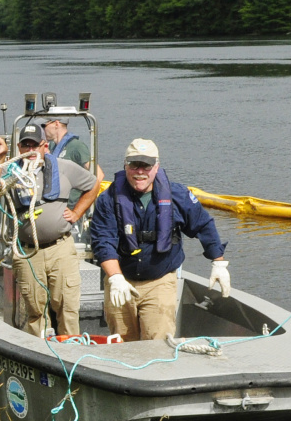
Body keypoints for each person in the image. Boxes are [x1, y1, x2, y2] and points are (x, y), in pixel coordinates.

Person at [89, 138, 230, 342]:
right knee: (122, 343)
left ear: (156, 166)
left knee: (158, 343)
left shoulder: (178, 195)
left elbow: (203, 225)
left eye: (145, 165)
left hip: (159, 280)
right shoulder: (108, 199)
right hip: (120, 278)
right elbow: (103, 241)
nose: (140, 171)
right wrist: (115, 278)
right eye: (134, 165)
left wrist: (218, 263)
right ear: (125, 165)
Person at [0, 122, 103, 337]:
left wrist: (76, 212)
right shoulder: (12, 172)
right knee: (34, 311)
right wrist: (0, 157)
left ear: (44, 146)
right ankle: (40, 355)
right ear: (19, 148)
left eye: (35, 145)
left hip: (60, 248)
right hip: (28, 252)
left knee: (67, 307)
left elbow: (94, 184)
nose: (30, 151)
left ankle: (71, 355)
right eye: (25, 146)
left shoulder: (64, 167)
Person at [43, 113, 105, 225]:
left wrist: (82, 203)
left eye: (44, 125)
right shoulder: (51, 147)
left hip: (71, 209)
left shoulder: (76, 146)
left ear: (56, 123)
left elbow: (98, 175)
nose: (43, 130)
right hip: (56, 208)